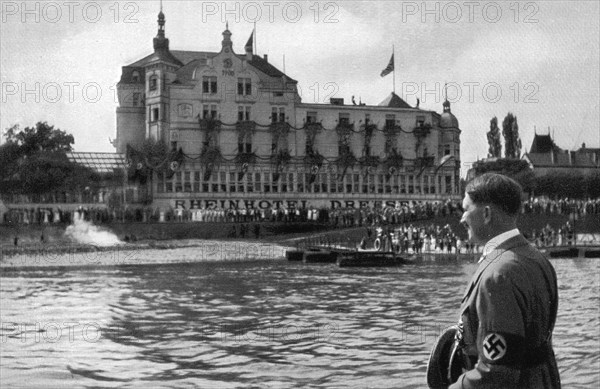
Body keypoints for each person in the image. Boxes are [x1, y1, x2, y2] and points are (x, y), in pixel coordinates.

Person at [429, 173, 561, 388]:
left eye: (466, 209)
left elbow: (497, 373)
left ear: (487, 213)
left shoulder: (497, 275)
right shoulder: (537, 259)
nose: (462, 218)